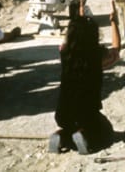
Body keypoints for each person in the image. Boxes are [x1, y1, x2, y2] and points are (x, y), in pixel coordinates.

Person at [49, 14, 115, 155]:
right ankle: (84, 135)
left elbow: (75, 32)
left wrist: (78, 17)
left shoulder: (65, 52)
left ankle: (61, 135)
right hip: (87, 113)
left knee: (69, 126)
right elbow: (116, 49)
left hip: (62, 114)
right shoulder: (97, 54)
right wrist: (114, 23)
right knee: (106, 130)